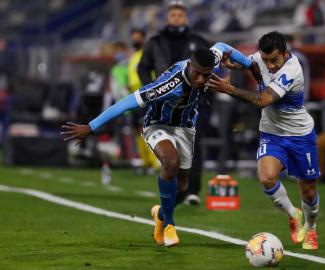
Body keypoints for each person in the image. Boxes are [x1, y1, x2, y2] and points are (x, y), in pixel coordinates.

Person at [61, 47, 243, 247]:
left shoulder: (211, 61)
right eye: (197, 74)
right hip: (158, 125)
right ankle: (170, 225)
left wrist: (250, 65)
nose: (201, 79)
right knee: (170, 162)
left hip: (185, 128)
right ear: (190, 65)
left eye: (205, 75)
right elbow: (125, 104)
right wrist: (91, 126)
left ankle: (160, 215)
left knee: (182, 187)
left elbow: (223, 47)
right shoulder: (167, 86)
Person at [208, 32, 320, 250]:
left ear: (286, 54)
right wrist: (233, 62)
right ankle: (292, 214)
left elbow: (263, 100)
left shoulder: (292, 70)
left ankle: (311, 227)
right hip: (272, 133)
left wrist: (229, 89)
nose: (270, 65)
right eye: (266, 59)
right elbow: (248, 62)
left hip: (300, 136)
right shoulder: (263, 59)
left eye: (274, 60)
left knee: (307, 191)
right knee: (267, 178)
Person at [138, 0, 210, 205]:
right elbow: (143, 67)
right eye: (173, 15)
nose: (177, 18)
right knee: (169, 149)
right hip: (164, 105)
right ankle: (174, 190)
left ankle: (193, 190)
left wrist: (206, 95)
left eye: (180, 15)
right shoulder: (155, 41)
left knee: (193, 145)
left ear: (186, 18)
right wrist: (152, 90)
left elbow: (211, 68)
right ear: (167, 18)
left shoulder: (199, 40)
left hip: (193, 103)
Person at [128, 28, 160, 173]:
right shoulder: (134, 56)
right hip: (134, 96)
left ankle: (155, 162)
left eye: (137, 37)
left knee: (149, 128)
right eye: (133, 37)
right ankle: (145, 161)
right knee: (137, 130)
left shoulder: (149, 54)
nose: (135, 40)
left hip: (146, 95)